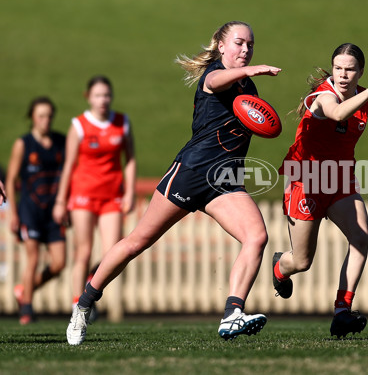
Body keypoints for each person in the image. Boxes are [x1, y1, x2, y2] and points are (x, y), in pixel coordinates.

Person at [65, 21, 281, 345]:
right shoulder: (215, 74)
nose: (246, 50)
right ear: (221, 46)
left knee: (257, 236)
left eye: (250, 44)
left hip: (226, 181)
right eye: (238, 43)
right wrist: (254, 69)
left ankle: (232, 314)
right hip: (191, 173)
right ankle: (83, 305)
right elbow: (218, 80)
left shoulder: (247, 87)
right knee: (136, 242)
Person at [273, 43, 368, 338]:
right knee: (302, 261)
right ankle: (279, 268)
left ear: (359, 71)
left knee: (361, 236)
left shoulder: (367, 99)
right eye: (338, 68)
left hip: (339, 180)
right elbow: (337, 114)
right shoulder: (323, 96)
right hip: (305, 179)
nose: (343, 75)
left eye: (350, 69)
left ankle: (342, 312)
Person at [53, 76, 136, 321]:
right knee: (83, 251)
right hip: (83, 195)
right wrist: (60, 200)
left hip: (112, 196)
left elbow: (129, 160)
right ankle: (76, 305)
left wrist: (129, 191)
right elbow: (68, 165)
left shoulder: (122, 122)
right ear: (88, 97)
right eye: (98, 95)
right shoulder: (78, 125)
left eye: (107, 95)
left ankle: (92, 282)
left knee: (114, 252)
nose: (103, 100)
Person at [5, 96, 66, 325]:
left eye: (49, 116)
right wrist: (13, 214)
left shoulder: (61, 141)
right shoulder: (23, 144)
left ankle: (24, 291)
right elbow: (11, 180)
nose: (45, 120)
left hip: (54, 211)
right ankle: (27, 311)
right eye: (41, 116)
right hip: (30, 209)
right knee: (33, 259)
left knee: (59, 263)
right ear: (32, 117)